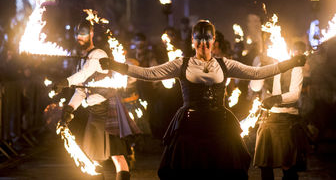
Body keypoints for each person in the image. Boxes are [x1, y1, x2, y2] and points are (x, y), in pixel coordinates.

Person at [99, 20, 306, 179]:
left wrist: (291, 63)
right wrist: (115, 65)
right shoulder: (182, 64)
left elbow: (257, 73)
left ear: (213, 40)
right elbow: (148, 73)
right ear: (192, 41)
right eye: (199, 38)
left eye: (207, 38)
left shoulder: (225, 64)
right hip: (190, 128)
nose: (203, 43)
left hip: (220, 128)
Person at [53, 20, 141, 180]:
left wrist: (65, 82)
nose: (80, 36)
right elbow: (81, 89)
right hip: (94, 111)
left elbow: (84, 75)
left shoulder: (98, 55)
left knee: (118, 156)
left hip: (108, 107)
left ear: (91, 34)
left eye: (84, 33)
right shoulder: (81, 59)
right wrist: (69, 109)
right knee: (92, 158)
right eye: (78, 33)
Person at [251, 41, 309, 180]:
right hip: (268, 118)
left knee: (287, 165)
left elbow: (294, 95)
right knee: (265, 165)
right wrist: (260, 66)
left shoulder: (295, 67)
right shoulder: (271, 66)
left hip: (286, 119)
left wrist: (274, 100)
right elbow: (255, 87)